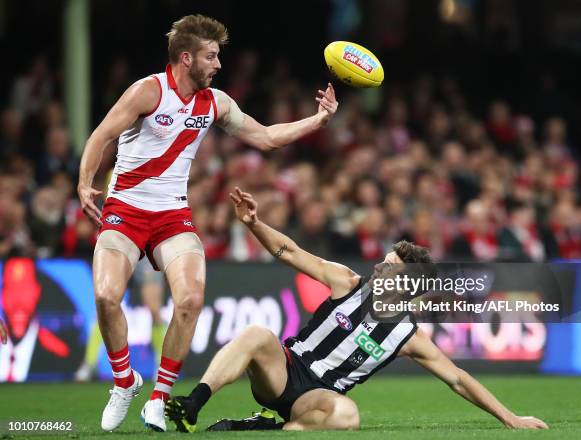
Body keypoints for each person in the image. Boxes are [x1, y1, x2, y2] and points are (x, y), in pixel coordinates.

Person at [77, 15, 338, 432]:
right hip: (125, 209)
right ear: (187, 57)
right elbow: (101, 135)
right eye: (211, 56)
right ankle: (125, 382)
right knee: (107, 296)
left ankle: (159, 398)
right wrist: (85, 182)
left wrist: (318, 121)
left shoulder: (215, 102)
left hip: (172, 215)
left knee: (191, 298)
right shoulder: (148, 91)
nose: (218, 64)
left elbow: (266, 137)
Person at [165, 187, 549, 432]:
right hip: (286, 368)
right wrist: (254, 224)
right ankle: (194, 403)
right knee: (256, 334)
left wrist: (511, 419)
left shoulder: (407, 335)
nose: (379, 267)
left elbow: (458, 379)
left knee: (348, 416)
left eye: (390, 266)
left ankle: (265, 428)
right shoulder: (346, 282)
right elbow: (290, 252)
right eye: (383, 260)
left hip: (316, 397)